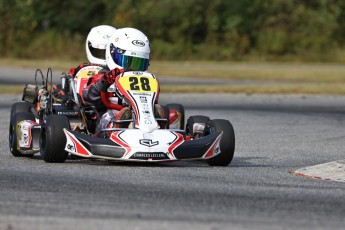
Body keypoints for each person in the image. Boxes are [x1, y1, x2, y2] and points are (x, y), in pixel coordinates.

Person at [81, 27, 165, 136]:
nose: (132, 69)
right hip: (109, 118)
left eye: (138, 63)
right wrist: (105, 81)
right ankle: (117, 126)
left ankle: (161, 127)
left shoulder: (146, 80)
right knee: (111, 116)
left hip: (142, 117)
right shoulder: (103, 76)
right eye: (127, 61)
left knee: (166, 112)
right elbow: (87, 97)